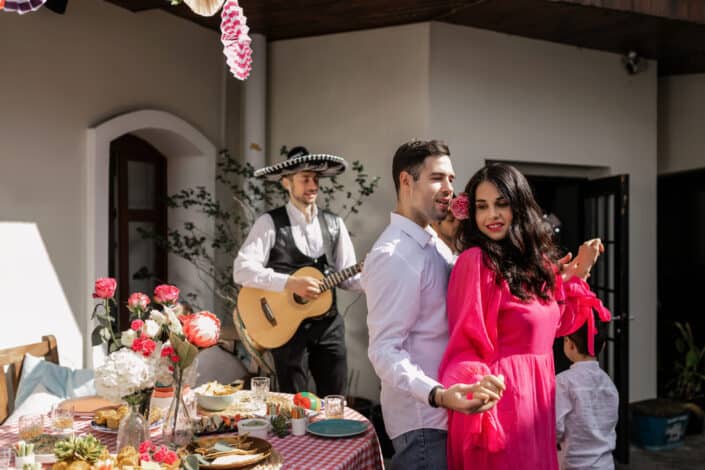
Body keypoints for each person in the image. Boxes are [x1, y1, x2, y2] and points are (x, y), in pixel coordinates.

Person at [438, 163, 611, 469]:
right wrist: (475, 390)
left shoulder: (539, 264)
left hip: (539, 401)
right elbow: (465, 343)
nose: (492, 215)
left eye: (501, 204)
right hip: (503, 403)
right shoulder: (476, 261)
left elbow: (558, 326)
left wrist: (579, 274)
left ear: (519, 207)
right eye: (482, 207)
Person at [363, 140, 505, 470]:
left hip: (448, 416)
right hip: (424, 424)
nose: (449, 189)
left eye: (451, 179)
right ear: (406, 181)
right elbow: (384, 349)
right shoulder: (394, 255)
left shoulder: (432, 247)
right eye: (437, 178)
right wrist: (438, 394)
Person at [233, 146, 361, 396]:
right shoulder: (269, 223)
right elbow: (242, 270)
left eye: (315, 179)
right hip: (286, 328)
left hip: (328, 326)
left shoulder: (335, 224)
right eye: (305, 179)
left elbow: (350, 278)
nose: (313, 185)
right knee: (293, 405)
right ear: (286, 183)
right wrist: (289, 283)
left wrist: (378, 277)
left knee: (335, 401)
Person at [556, 312, 618, 470]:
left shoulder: (564, 381)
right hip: (605, 464)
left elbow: (556, 428)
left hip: (575, 464)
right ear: (603, 346)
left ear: (569, 344)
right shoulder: (608, 382)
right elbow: (610, 421)